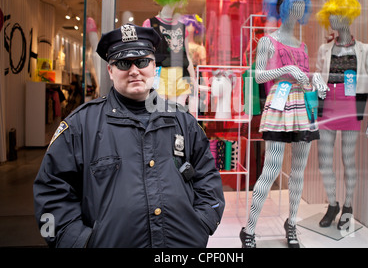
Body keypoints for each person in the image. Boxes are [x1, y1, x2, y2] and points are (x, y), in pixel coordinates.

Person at [33, 23, 225, 248]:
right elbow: (51, 192)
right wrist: (81, 242)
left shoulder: (182, 121)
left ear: (154, 67)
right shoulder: (80, 126)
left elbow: (207, 177)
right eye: (124, 63)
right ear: (110, 70)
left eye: (142, 62)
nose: (134, 71)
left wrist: (201, 224)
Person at [239, 0, 327, 248]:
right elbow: (258, 74)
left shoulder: (302, 46)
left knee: (298, 171)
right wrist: (286, 69)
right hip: (278, 106)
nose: (298, 11)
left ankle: (292, 225)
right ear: (283, 8)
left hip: (301, 107)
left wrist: (316, 81)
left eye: (302, 6)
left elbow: (305, 81)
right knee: (271, 170)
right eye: (294, 6)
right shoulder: (268, 41)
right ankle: (250, 230)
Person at [315, 0, 368, 229]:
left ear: (347, 17)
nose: (331, 19)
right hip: (328, 105)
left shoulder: (364, 50)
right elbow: (317, 79)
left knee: (348, 159)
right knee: (324, 160)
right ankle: (333, 204)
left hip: (352, 105)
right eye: (329, 15)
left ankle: (348, 206)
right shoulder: (324, 49)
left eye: (336, 14)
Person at [143, 0, 196, 110]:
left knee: (179, 115)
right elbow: (146, 55)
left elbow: (187, 55)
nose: (183, 1)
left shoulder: (182, 27)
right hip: (160, 74)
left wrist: (193, 80)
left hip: (180, 75)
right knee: (161, 114)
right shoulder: (150, 24)